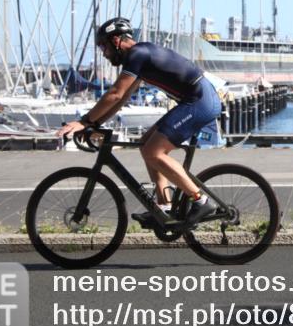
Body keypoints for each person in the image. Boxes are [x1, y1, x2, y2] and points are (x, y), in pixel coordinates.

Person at [56, 17, 220, 227]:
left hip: (200, 101)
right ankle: (165, 208)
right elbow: (121, 99)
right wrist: (93, 124)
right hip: (195, 100)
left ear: (116, 41)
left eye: (103, 46)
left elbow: (115, 93)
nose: (103, 54)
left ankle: (201, 201)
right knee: (146, 145)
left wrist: (84, 121)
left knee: (154, 151)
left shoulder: (137, 55)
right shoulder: (140, 56)